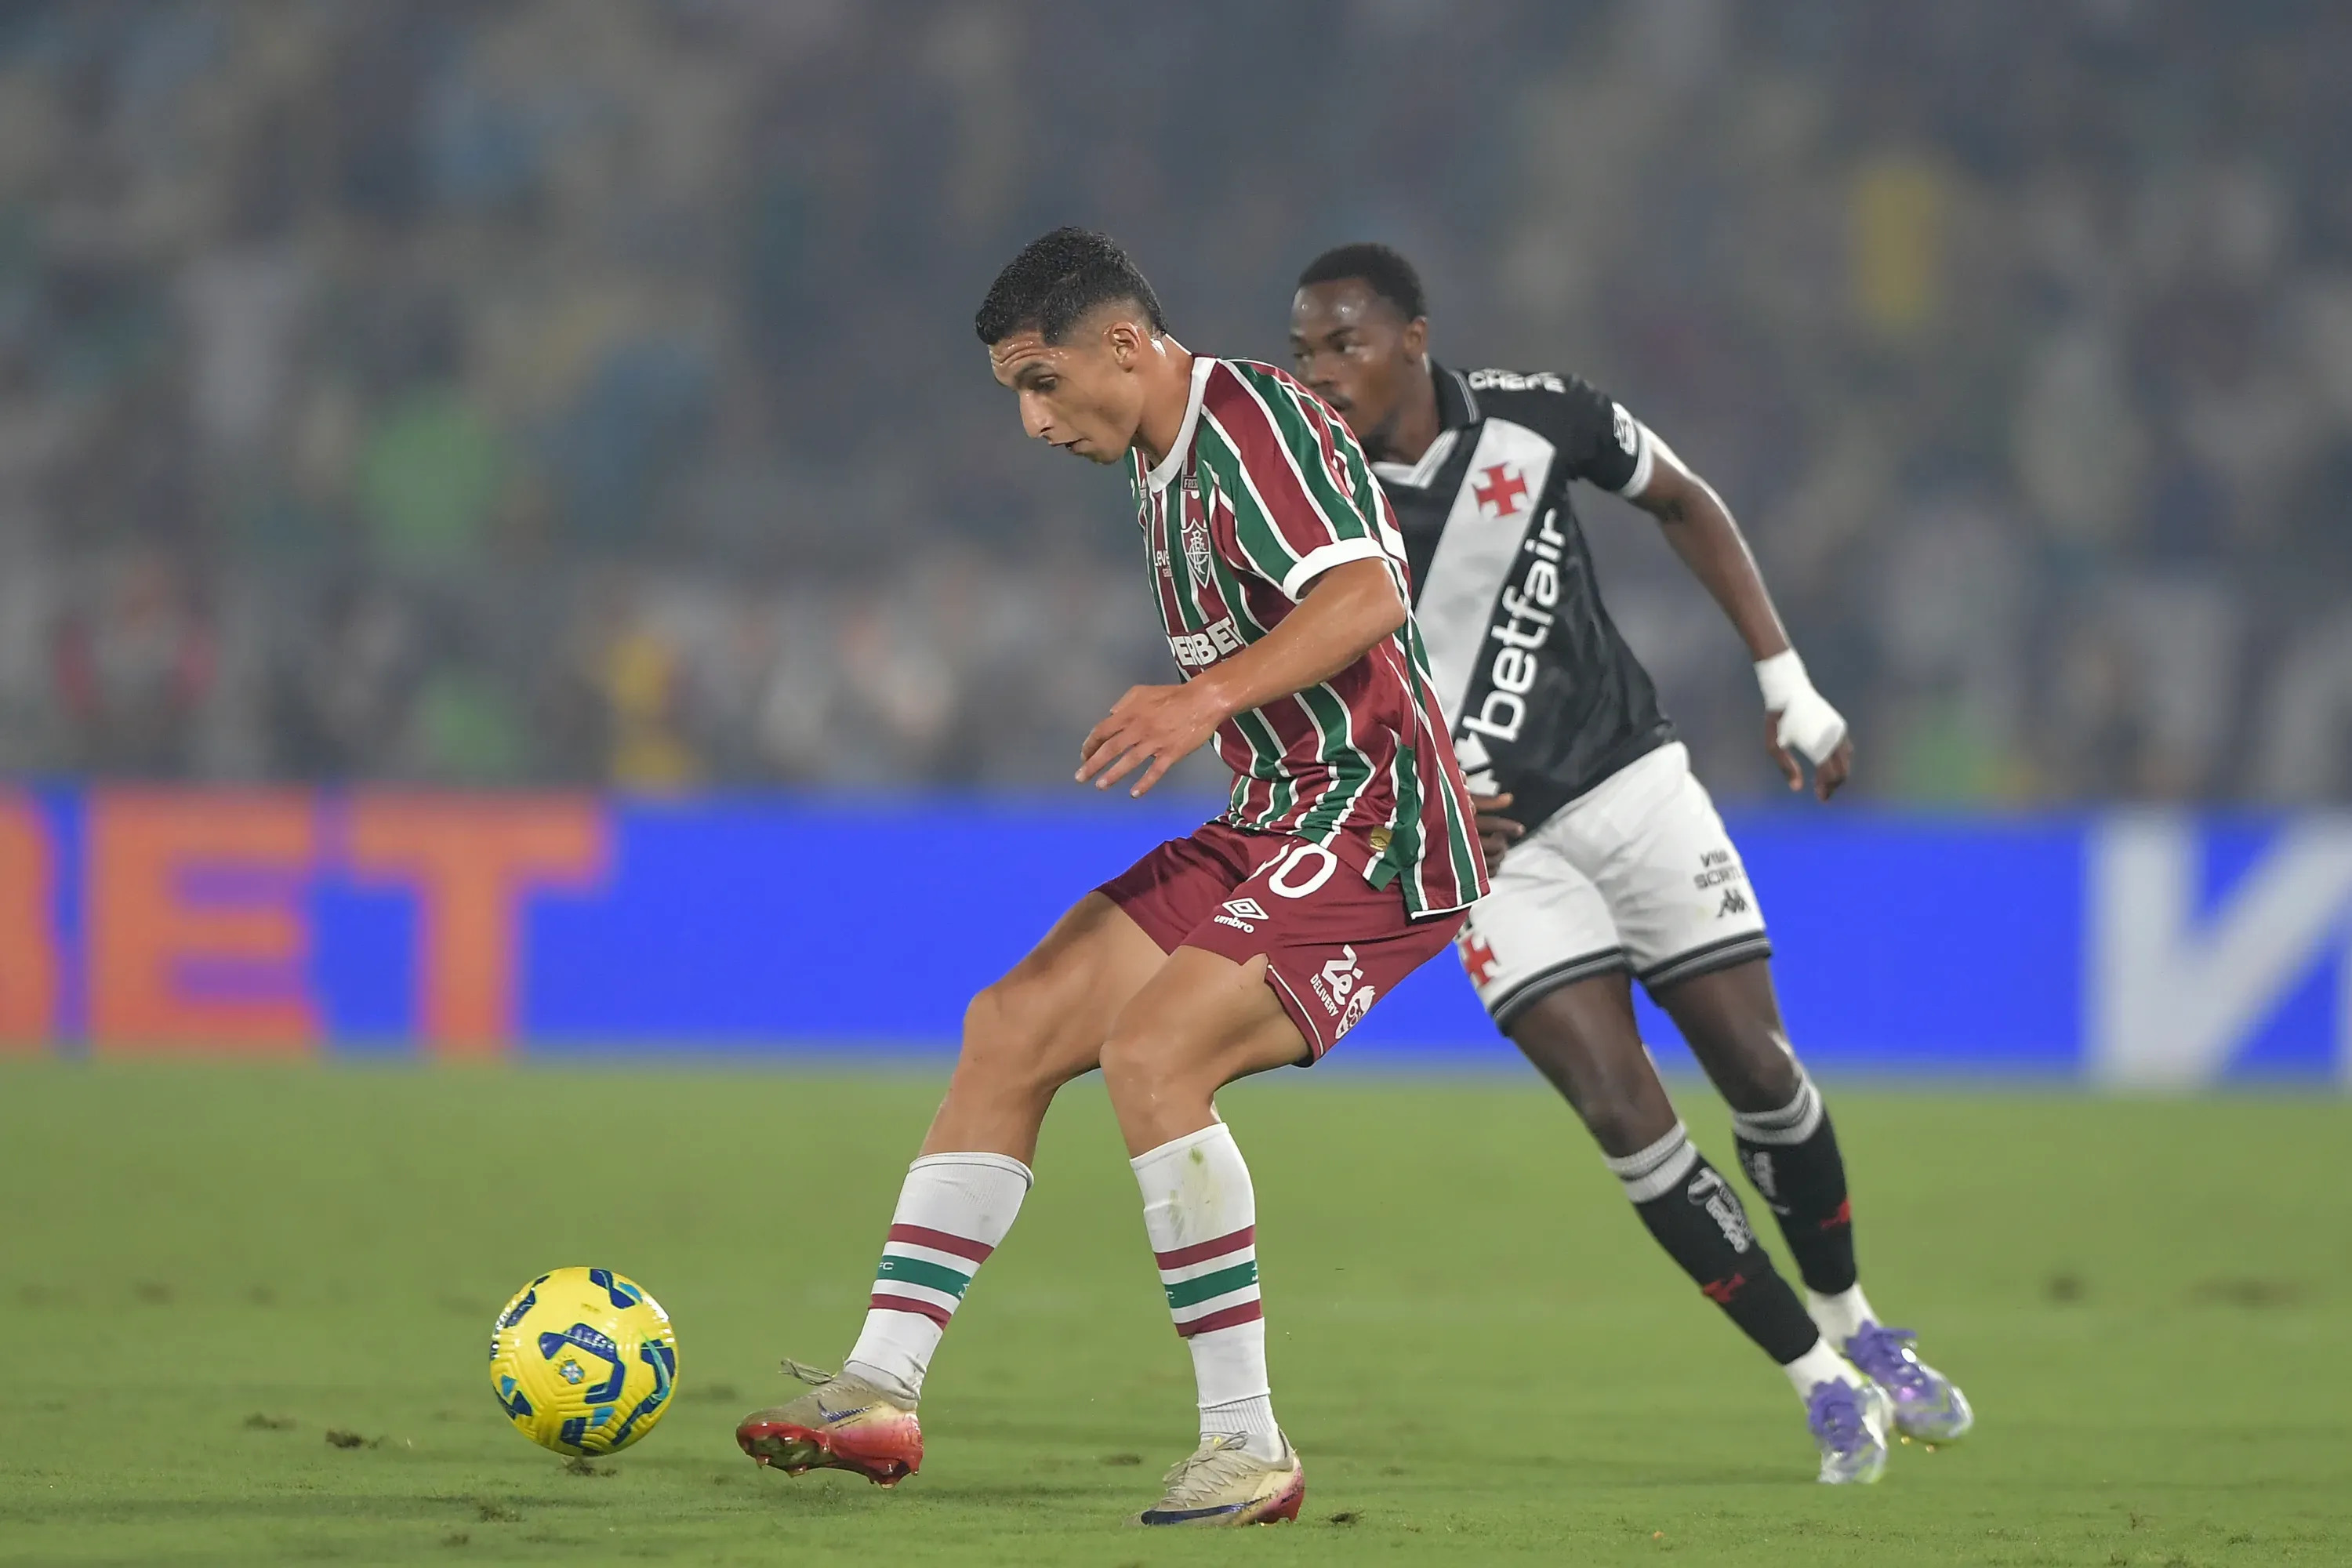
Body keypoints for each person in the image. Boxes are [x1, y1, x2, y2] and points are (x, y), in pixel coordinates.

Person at [735, 229, 1486, 1526]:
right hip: (1276, 818)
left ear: (1125, 347)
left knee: (1154, 1059)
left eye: (1043, 383)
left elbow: (1369, 595)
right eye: (1014, 394)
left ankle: (1249, 1448)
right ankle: (881, 1387)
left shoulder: (1252, 424)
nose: (1032, 423)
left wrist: (1207, 697)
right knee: (1012, 1025)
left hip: (1380, 827)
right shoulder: (1158, 454)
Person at [1287, 242, 1971, 1485]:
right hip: (1490, 851)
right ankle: (1817, 1384)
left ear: (1413, 341)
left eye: (1347, 344)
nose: (1322, 372)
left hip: (1632, 785)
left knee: (1759, 1071)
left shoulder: (1543, 418)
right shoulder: (1309, 503)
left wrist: (1786, 680)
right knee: (1622, 1108)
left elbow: (1684, 499)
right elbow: (1296, 704)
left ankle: (1858, 1324)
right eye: (1305, 351)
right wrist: (1411, 807)